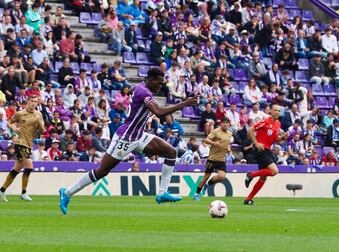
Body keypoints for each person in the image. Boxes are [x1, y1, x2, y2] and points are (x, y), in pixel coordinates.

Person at [59, 68, 198, 214]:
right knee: (102, 171)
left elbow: (133, 91)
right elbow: (159, 112)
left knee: (170, 151)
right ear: (150, 80)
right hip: (125, 137)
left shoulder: (140, 87)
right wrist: (184, 103)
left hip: (138, 135)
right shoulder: (144, 92)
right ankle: (67, 192)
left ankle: (162, 193)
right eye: (158, 82)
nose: (160, 86)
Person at [0, 95, 45, 202]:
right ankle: (24, 193)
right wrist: (15, 128)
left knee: (17, 169)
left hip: (29, 144)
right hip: (21, 143)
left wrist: (39, 122)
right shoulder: (20, 113)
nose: (34, 103)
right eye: (32, 101)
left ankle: (2, 190)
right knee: (29, 167)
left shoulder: (39, 114)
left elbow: (42, 131)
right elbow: (9, 122)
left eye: (36, 101)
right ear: (28, 102)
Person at [244, 104, 288, 205]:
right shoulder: (265, 121)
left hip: (268, 150)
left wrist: (283, 137)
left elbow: (276, 139)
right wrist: (256, 143)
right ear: (270, 111)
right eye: (275, 110)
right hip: (261, 149)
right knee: (274, 171)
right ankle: (251, 174)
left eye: (279, 110)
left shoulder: (278, 123)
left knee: (263, 177)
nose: (277, 112)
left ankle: (248, 199)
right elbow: (250, 130)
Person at [193, 117, 233, 201]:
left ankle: (208, 184)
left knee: (221, 176)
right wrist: (214, 143)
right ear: (221, 123)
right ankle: (196, 194)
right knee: (206, 177)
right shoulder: (216, 131)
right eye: (224, 122)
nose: (225, 124)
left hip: (221, 159)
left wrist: (228, 148)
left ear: (229, 124)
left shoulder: (229, 133)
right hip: (212, 158)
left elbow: (227, 143)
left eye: (227, 122)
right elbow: (205, 140)